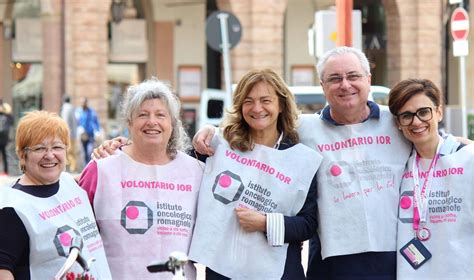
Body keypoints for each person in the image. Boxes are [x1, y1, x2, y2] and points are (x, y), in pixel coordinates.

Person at [193, 47, 412, 279]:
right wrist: (210, 132)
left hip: (393, 259)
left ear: (368, 79)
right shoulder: (306, 131)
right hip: (331, 264)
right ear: (323, 86)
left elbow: (432, 140)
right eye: (335, 78)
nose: (345, 85)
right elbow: (257, 128)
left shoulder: (397, 123)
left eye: (353, 76)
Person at [93, 69, 322, 279]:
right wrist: (120, 147)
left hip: (278, 272)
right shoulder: (218, 146)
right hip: (222, 272)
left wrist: (266, 223)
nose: (257, 108)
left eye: (266, 101)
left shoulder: (299, 159)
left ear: (281, 105)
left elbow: (308, 224)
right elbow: (164, 156)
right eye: (248, 101)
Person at [79, 78, 204, 280]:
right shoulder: (100, 170)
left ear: (172, 123)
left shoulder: (197, 172)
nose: (152, 122)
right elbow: (76, 234)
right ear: (129, 122)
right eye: (143, 115)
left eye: (160, 115)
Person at [0, 111, 111, 280]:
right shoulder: (12, 208)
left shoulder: (70, 184)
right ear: (22, 155)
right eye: (39, 148)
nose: (50, 155)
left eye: (57, 147)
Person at [388, 78, 474, 279]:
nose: (416, 122)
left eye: (424, 112)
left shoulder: (467, 158)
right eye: (406, 116)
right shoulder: (399, 165)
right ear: (398, 123)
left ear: (439, 112)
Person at [78, 97, 100, 165]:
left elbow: (96, 121)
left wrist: (97, 130)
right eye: (82, 103)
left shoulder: (91, 112)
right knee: (84, 152)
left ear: (86, 103)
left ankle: (89, 165)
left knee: (89, 151)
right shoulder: (79, 111)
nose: (83, 104)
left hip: (90, 134)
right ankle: (86, 166)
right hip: (83, 135)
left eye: (84, 102)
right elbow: (78, 122)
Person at [60, 95, 78, 172]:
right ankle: (72, 167)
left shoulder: (65, 108)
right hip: (73, 133)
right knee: (71, 150)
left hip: (68, 133)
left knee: (69, 150)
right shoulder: (71, 108)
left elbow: (65, 121)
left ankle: (71, 167)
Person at [0, 100, 12, 176]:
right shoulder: (8, 117)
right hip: (4, 139)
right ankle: (5, 171)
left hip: (3, 139)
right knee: (4, 155)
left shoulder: (7, 117)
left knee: (4, 155)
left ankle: (6, 171)